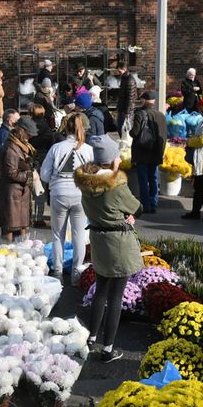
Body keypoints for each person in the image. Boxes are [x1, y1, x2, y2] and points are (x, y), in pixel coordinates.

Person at [75, 137, 143, 363]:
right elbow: (137, 207)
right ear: (112, 159)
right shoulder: (116, 186)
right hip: (118, 241)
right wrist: (128, 215)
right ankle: (108, 349)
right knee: (116, 296)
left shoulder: (87, 183)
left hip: (98, 239)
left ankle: (91, 338)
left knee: (101, 289)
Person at [40, 116, 94, 284]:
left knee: (58, 235)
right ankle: (77, 272)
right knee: (79, 235)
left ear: (66, 129)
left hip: (59, 194)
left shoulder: (56, 148)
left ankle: (57, 271)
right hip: (81, 195)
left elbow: (44, 175)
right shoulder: (88, 149)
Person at [0, 121, 37, 242]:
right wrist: (30, 175)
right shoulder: (11, 148)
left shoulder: (20, 145)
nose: (31, 137)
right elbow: (11, 173)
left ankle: (21, 251)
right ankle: (7, 251)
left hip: (20, 192)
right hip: (12, 194)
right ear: (21, 131)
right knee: (10, 227)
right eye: (29, 134)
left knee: (22, 227)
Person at [128, 90, 167, 214]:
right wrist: (161, 152)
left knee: (143, 179)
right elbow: (164, 136)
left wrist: (130, 129)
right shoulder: (161, 115)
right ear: (154, 101)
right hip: (155, 152)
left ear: (144, 100)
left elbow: (134, 133)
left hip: (142, 152)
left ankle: (145, 205)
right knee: (153, 178)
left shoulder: (140, 114)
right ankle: (153, 203)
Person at [28, 103, 59, 228]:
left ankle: (27, 216)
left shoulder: (28, 127)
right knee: (40, 190)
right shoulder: (47, 129)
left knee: (28, 190)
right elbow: (52, 146)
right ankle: (39, 218)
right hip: (44, 160)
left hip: (30, 160)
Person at [0, 108, 19, 193]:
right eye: (17, 120)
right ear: (10, 121)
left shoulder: (5, 132)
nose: (18, 123)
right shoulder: (4, 134)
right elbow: (4, 154)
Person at [114, 62, 136, 132]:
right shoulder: (124, 78)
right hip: (123, 108)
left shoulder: (129, 80)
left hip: (126, 109)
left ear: (124, 69)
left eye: (119, 71)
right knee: (121, 129)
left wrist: (127, 112)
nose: (118, 72)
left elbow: (130, 97)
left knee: (126, 130)